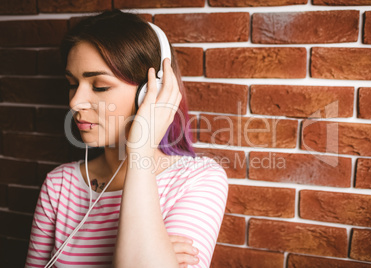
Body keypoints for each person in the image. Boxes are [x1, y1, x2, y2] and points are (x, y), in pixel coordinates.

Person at [25, 9, 228, 268]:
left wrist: (140, 152)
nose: (75, 102)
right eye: (72, 84)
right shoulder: (59, 186)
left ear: (149, 93)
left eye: (100, 86)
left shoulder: (198, 179)